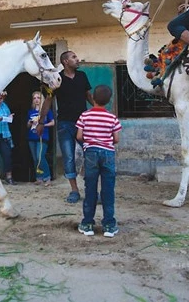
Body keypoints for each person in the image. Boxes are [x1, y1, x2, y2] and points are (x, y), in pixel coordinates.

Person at [37, 51, 94, 203]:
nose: (77, 59)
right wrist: (41, 122)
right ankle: (74, 191)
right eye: (74, 57)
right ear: (65, 61)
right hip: (65, 124)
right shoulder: (57, 79)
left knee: (90, 155)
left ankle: (91, 190)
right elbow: (48, 100)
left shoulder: (82, 76)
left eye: (76, 56)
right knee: (68, 158)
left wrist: (99, 111)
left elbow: (88, 95)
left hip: (83, 123)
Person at [75, 85, 122, 238]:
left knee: (90, 188)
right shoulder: (112, 117)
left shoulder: (84, 116)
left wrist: (91, 140)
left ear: (93, 99)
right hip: (108, 153)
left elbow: (79, 136)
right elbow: (116, 139)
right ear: (108, 101)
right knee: (108, 189)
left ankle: (88, 223)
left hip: (91, 153)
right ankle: (109, 225)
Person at [26, 91, 54, 186]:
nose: (37, 100)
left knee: (40, 157)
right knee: (35, 159)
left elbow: (53, 122)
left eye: (38, 98)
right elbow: (27, 125)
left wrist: (42, 125)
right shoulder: (31, 112)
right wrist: (30, 122)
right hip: (32, 136)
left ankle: (47, 177)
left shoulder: (46, 111)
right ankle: (39, 178)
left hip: (43, 136)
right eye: (34, 98)